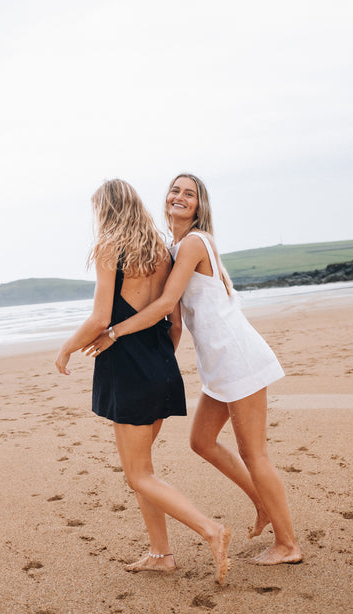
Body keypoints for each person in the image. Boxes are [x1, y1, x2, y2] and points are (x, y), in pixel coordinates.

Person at [85, 173, 302, 566]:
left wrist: (114, 332)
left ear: (200, 206)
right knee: (201, 441)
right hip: (217, 363)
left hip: (237, 355)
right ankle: (261, 502)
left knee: (255, 453)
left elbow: (166, 303)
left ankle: (288, 544)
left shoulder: (194, 243)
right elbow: (176, 321)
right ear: (165, 198)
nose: (180, 197)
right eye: (175, 190)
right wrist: (158, 364)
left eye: (190, 193)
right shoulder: (171, 247)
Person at [55, 179, 231, 583]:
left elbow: (102, 318)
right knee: (143, 471)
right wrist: (160, 362)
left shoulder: (109, 247)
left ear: (104, 210)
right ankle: (160, 554)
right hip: (160, 365)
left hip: (129, 369)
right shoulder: (160, 251)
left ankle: (211, 530)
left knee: (138, 475)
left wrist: (66, 349)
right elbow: (173, 322)